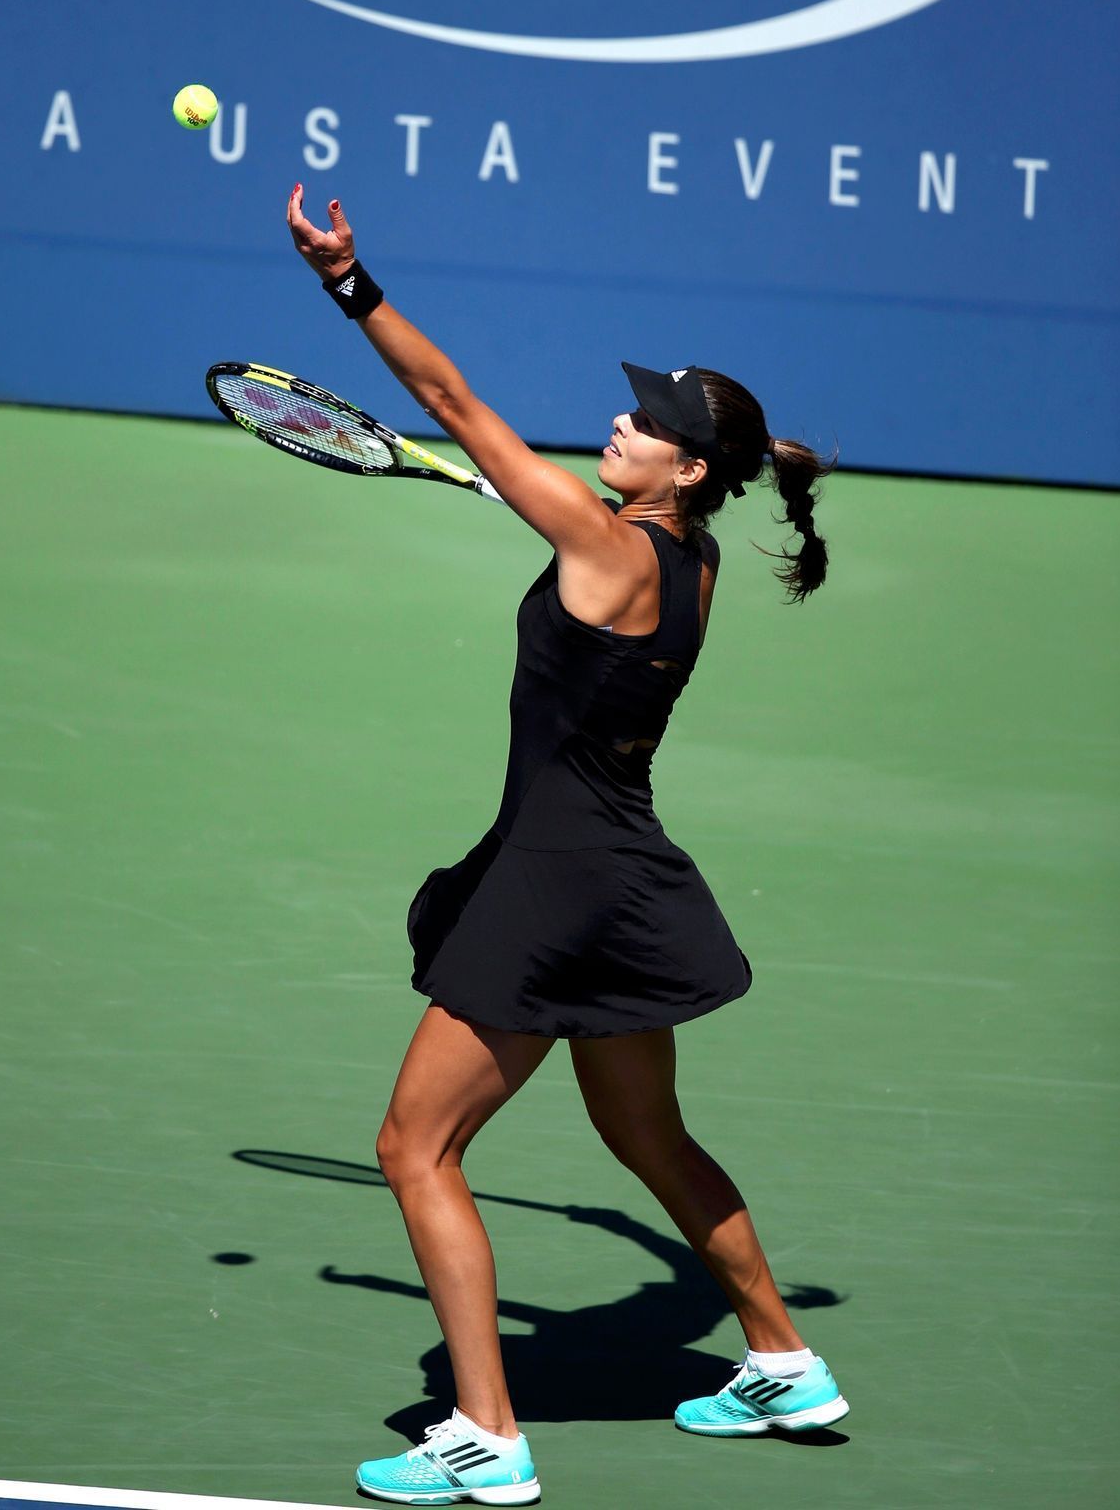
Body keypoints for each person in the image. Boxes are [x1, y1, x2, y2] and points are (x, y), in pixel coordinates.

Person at [286, 186, 848, 1507]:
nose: (622, 421)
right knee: (645, 1137)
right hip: (623, 878)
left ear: (687, 472)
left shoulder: (602, 542)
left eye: (649, 424)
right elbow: (578, 532)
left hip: (548, 891)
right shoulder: (687, 563)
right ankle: (780, 1356)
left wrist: (349, 283)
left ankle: (487, 1437)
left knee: (413, 1151)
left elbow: (461, 408)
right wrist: (553, 513)